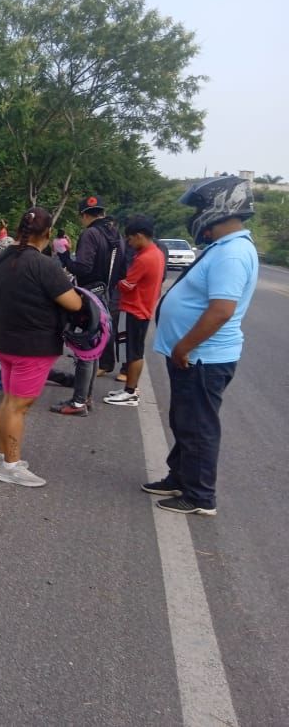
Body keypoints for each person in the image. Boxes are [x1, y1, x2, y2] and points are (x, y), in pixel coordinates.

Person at [144, 176, 259, 515]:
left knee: (199, 427)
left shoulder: (233, 254)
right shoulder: (222, 248)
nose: (195, 214)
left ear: (218, 207)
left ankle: (199, 495)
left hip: (202, 358)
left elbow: (221, 310)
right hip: (195, 357)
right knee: (185, 421)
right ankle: (179, 476)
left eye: (198, 207)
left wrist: (184, 346)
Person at [0, 207, 83, 487]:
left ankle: (1, 456)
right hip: (33, 347)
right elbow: (74, 303)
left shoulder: (2, 259)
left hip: (4, 342)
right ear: (49, 234)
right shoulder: (44, 265)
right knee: (19, 406)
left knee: (8, 401)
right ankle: (12, 466)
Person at [51, 195, 125, 416]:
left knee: (84, 349)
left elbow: (81, 268)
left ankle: (78, 403)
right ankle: (86, 398)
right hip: (107, 297)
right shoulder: (115, 235)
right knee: (93, 349)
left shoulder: (90, 233)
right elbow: (123, 270)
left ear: (84, 215)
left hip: (90, 296)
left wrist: (64, 256)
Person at [103, 216, 164, 407]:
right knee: (129, 349)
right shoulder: (156, 252)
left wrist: (115, 282)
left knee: (133, 352)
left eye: (130, 239)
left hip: (135, 309)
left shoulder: (145, 258)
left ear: (139, 236)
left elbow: (128, 285)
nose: (128, 243)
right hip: (137, 308)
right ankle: (129, 388)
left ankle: (130, 392)